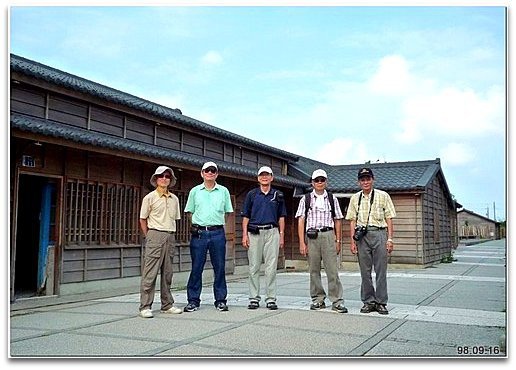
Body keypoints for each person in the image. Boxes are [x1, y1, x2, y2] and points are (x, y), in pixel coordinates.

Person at [183, 161, 234, 312]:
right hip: (199, 233)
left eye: (213, 170)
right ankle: (193, 300)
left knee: (219, 267)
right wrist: (196, 226)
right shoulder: (195, 191)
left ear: (217, 174)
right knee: (196, 267)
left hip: (217, 232)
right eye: (207, 170)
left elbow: (228, 212)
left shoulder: (223, 191)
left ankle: (220, 300)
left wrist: (217, 225)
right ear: (202, 173)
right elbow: (189, 212)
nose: (210, 173)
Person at [295, 169, 348, 313]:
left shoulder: (332, 198)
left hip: (328, 234)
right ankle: (318, 299)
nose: (319, 183)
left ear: (326, 182)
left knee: (332, 269)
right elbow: (301, 221)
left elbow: (337, 220)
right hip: (311, 236)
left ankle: (337, 300)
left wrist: (338, 240)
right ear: (312, 182)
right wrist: (301, 242)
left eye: (322, 180)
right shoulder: (305, 199)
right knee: (313, 269)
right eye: (316, 180)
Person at [345, 167, 396, 315]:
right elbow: (352, 220)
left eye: (368, 178)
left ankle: (381, 302)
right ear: (358, 182)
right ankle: (368, 301)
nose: (365, 182)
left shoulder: (383, 195)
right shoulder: (355, 198)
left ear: (373, 179)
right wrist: (352, 241)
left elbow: (389, 218)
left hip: (379, 233)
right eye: (362, 179)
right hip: (362, 237)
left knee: (381, 270)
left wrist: (390, 238)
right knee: (364, 271)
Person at [138, 165, 183, 318]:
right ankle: (145, 305)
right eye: (161, 176)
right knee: (150, 273)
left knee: (168, 273)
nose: (164, 179)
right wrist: (149, 236)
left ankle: (167, 304)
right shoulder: (149, 198)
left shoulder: (174, 199)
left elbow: (175, 219)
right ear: (156, 179)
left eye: (167, 176)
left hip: (170, 235)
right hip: (155, 234)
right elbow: (143, 219)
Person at [241, 166, 287, 310]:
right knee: (254, 266)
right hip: (254, 233)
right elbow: (245, 216)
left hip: (272, 232)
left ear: (272, 177)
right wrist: (244, 235)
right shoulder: (252, 195)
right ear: (258, 178)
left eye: (267, 175)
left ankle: (271, 298)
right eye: (262, 175)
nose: (264, 177)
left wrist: (281, 235)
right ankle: (254, 298)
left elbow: (281, 217)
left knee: (271, 267)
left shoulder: (277, 195)